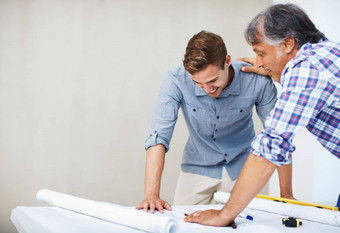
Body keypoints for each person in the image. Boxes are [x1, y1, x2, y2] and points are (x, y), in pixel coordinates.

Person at [184, 3, 340, 226]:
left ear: (287, 44)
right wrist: (273, 68)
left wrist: (224, 215)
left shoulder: (307, 69)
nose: (258, 62)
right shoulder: (324, 52)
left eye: (261, 53)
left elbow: (271, 147)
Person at [136, 30, 294, 214]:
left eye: (213, 80)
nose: (208, 89)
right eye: (199, 84)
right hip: (197, 166)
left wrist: (286, 194)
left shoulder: (257, 80)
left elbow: (279, 135)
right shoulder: (176, 79)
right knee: (184, 224)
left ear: (227, 61)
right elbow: (158, 136)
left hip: (243, 169)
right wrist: (151, 195)